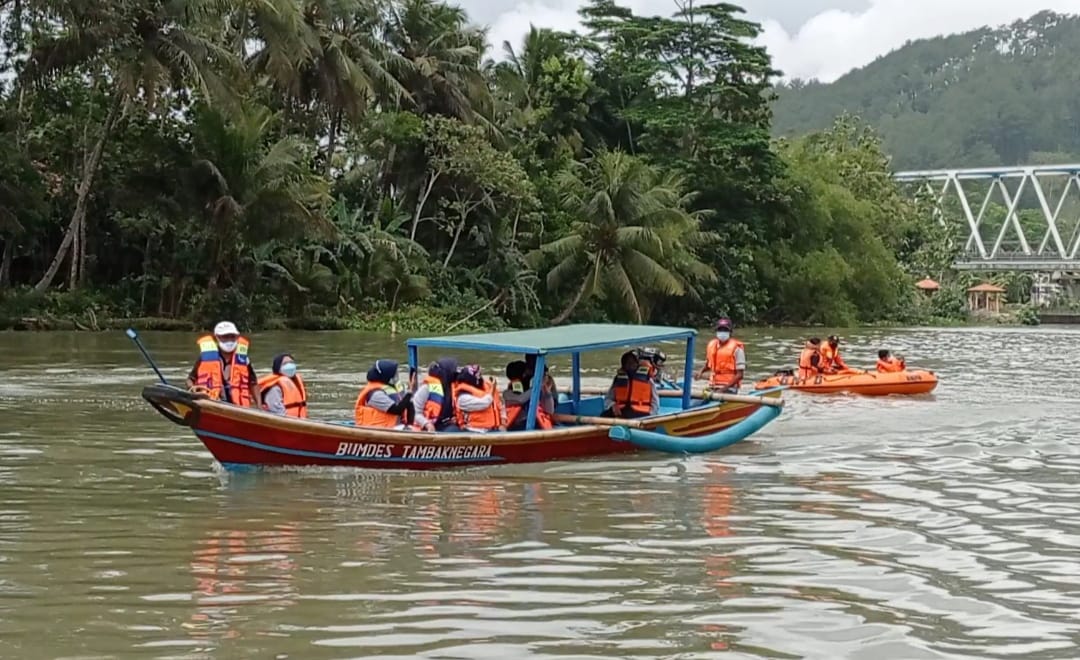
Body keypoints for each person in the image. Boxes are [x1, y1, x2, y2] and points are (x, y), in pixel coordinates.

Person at [186, 321, 259, 406]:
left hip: (238, 407)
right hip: (211, 402)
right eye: (225, 337)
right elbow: (190, 379)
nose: (229, 340)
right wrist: (192, 388)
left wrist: (260, 407)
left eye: (232, 336)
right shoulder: (205, 357)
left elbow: (253, 383)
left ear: (237, 337)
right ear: (217, 338)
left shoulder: (243, 359)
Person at [354, 359, 414, 429]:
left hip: (395, 425)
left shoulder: (394, 386)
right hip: (377, 427)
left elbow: (408, 403)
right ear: (386, 376)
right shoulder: (375, 394)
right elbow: (397, 410)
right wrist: (409, 393)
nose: (396, 376)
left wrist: (410, 425)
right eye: (395, 374)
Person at [604, 350, 659, 419]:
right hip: (621, 411)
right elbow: (608, 399)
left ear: (637, 363)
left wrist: (652, 416)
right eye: (628, 362)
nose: (630, 365)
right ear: (624, 365)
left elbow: (655, 401)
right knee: (604, 415)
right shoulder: (618, 379)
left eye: (633, 362)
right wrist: (613, 405)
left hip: (641, 413)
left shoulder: (647, 379)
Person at [696, 318, 745, 393]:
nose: (722, 332)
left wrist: (722, 390)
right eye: (720, 330)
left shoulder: (737, 349)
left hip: (729, 388)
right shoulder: (712, 345)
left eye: (725, 330)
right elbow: (709, 364)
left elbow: (740, 375)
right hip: (713, 385)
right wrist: (700, 371)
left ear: (730, 332)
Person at [452, 365, 506, 432]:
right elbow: (485, 403)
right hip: (473, 431)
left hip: (494, 429)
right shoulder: (462, 398)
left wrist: (503, 423)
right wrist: (493, 388)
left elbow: (500, 405)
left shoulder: (488, 386)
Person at [503, 360, 554, 430]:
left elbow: (549, 411)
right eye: (525, 375)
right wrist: (536, 386)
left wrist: (547, 392)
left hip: (537, 425)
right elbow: (520, 400)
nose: (527, 377)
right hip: (518, 428)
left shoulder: (535, 391)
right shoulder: (507, 394)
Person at [258, 353, 307, 417]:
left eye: (291, 362)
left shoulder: (296, 382)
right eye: (285, 363)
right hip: (284, 421)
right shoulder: (274, 387)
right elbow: (276, 411)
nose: (289, 365)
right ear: (278, 367)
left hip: (299, 421)